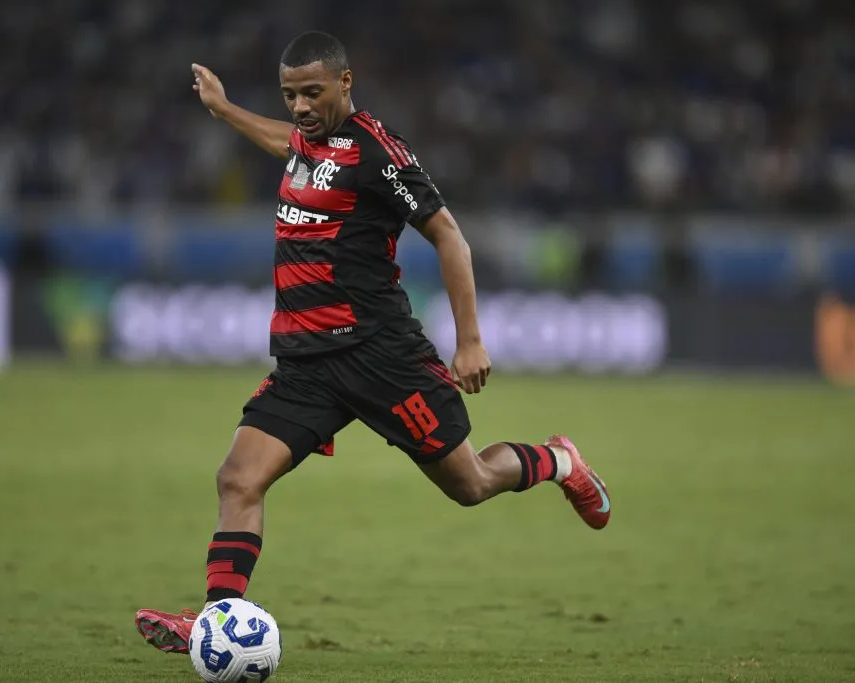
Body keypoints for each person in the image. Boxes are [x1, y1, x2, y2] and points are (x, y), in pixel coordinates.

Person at [135, 31, 611, 655]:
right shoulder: (306, 141)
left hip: (381, 355)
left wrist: (469, 341)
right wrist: (224, 109)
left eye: (312, 92)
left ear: (345, 83)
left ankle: (558, 462)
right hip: (307, 361)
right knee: (238, 479)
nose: (300, 107)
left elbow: (450, 238)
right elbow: (288, 144)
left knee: (469, 484)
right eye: (289, 95)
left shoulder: (379, 153)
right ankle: (220, 622)